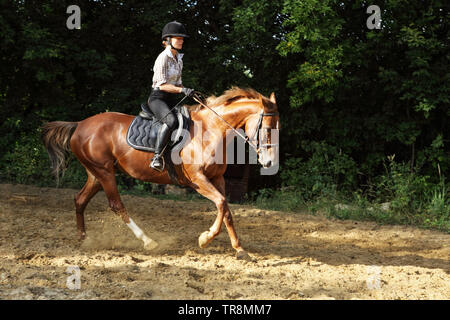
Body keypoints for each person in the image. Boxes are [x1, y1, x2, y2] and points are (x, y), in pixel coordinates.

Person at [148, 21, 195, 171]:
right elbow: (162, 85)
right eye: (178, 38)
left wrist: (189, 91)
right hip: (158, 99)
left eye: (182, 39)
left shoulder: (178, 59)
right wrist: (182, 91)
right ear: (168, 40)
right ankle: (156, 157)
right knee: (171, 120)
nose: (181, 41)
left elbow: (178, 84)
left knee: (189, 119)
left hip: (171, 99)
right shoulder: (163, 58)